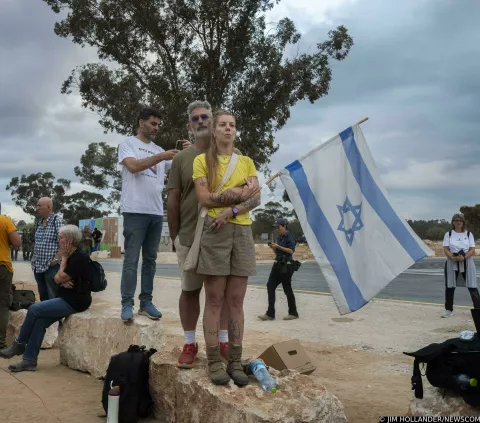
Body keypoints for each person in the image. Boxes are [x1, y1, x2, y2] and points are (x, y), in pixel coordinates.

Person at [167, 101, 244, 369]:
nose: (201, 121)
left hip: (222, 236)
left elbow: (248, 194)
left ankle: (222, 340)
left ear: (213, 122)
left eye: (205, 117)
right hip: (189, 236)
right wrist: (174, 236)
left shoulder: (233, 156)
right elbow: (173, 200)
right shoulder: (181, 159)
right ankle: (190, 342)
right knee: (189, 291)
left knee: (219, 296)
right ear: (190, 124)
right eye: (195, 118)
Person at [193, 110, 260, 386]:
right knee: (215, 299)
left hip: (241, 231)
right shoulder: (201, 161)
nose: (228, 129)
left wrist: (231, 208)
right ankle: (213, 361)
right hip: (215, 231)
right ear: (214, 130)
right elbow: (204, 197)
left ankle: (234, 360)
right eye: (222, 125)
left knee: (236, 301)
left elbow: (256, 198)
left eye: (232, 125)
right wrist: (232, 194)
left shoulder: (246, 162)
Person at [0, 225, 92, 372]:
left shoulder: (79, 257)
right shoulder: (69, 256)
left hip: (76, 301)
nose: (58, 240)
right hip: (65, 297)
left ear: (69, 240)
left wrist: (64, 262)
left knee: (35, 309)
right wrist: (62, 275)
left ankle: (19, 344)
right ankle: (29, 360)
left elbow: (60, 276)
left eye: (61, 238)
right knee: (40, 322)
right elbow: (56, 279)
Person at [118, 107, 179, 322]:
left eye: (158, 124)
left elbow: (181, 165)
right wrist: (161, 156)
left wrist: (189, 150)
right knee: (131, 260)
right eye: (153, 123)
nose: (156, 127)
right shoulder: (128, 144)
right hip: (134, 211)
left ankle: (146, 303)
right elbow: (133, 166)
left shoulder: (159, 149)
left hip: (155, 212)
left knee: (150, 261)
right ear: (140, 122)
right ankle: (127, 304)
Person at [258, 218, 299, 321]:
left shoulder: (289, 236)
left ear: (284, 226)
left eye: (278, 227)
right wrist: (274, 248)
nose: (277, 229)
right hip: (277, 265)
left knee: (287, 289)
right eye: (276, 227)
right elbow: (278, 253)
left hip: (286, 266)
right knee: (270, 286)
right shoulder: (279, 237)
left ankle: (293, 313)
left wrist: (278, 246)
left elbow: (291, 251)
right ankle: (270, 313)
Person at [442, 213, 480, 318]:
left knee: (472, 286)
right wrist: (452, 257)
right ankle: (449, 310)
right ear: (453, 222)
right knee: (450, 286)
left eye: (460, 220)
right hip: (452, 262)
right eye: (456, 220)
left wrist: (464, 257)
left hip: (467, 261)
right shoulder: (448, 234)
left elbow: (472, 249)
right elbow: (445, 248)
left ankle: (478, 309)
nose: (458, 222)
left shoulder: (469, 235)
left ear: (463, 222)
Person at [31, 197, 64, 301]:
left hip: (52, 267)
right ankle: (45, 316)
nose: (37, 208)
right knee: (43, 294)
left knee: (53, 294)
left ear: (48, 207)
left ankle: (57, 316)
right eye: (37, 205)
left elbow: (65, 243)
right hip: (38, 266)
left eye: (39, 206)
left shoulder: (57, 221)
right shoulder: (38, 222)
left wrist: (56, 260)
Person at [0, 215, 21, 349]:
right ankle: (0, 343)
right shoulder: (4, 220)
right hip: (2, 267)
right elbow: (17, 242)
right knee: (2, 305)